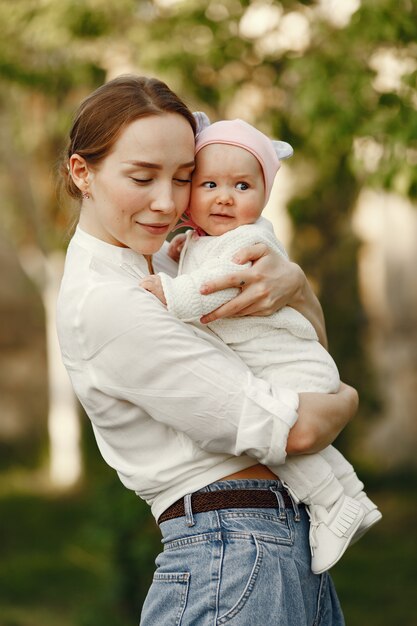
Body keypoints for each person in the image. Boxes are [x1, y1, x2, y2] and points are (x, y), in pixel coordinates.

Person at [57, 74, 359, 625]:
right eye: (143, 177)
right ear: (83, 172)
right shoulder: (109, 303)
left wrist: (298, 288)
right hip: (231, 551)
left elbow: (294, 353)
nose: (166, 202)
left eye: (183, 178)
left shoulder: (178, 263)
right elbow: (298, 429)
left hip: (273, 543)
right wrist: (350, 400)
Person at [141, 118, 382, 575]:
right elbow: (200, 258)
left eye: (243, 185)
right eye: (209, 183)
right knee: (308, 445)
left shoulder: (250, 240)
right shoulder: (204, 239)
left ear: (264, 195)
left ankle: (333, 507)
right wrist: (179, 253)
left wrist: (172, 293)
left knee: (279, 443)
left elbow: (219, 287)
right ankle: (356, 496)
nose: (224, 196)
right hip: (291, 362)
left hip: (288, 364)